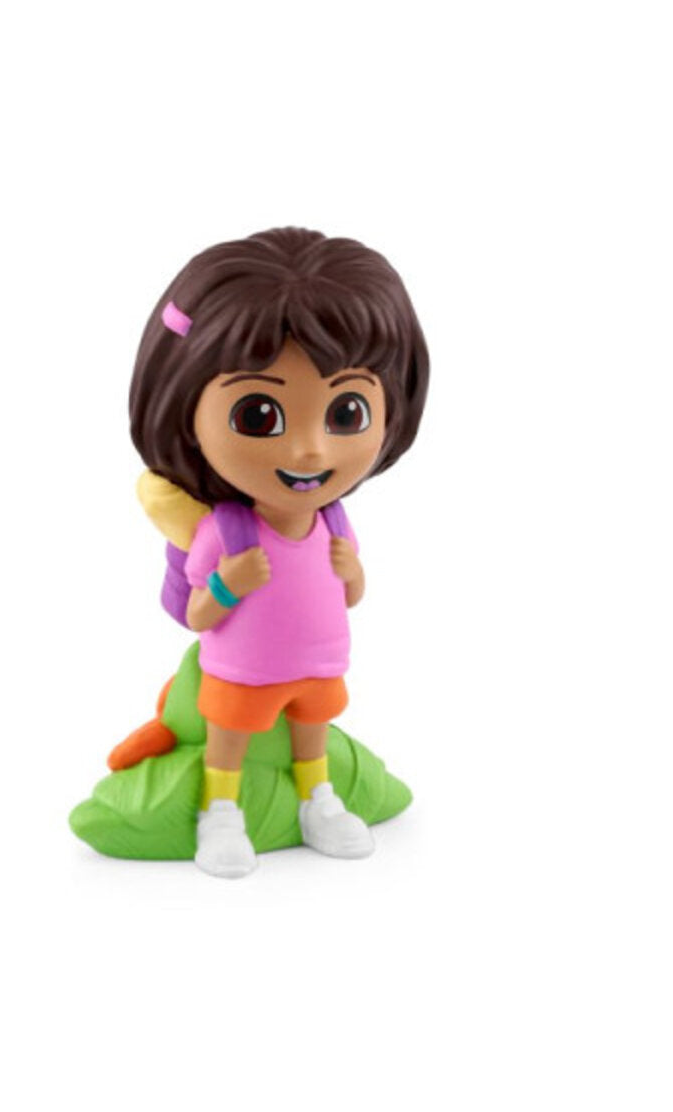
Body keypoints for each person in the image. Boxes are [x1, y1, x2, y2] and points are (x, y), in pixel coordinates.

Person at [128, 227, 430, 877]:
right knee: (230, 740)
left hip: (318, 664)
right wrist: (229, 585)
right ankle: (220, 812)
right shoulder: (226, 532)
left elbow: (349, 595)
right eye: (259, 416)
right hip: (243, 670)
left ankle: (318, 802)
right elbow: (199, 615)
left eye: (346, 414)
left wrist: (354, 572)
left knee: (312, 735)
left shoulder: (333, 520)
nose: (310, 450)